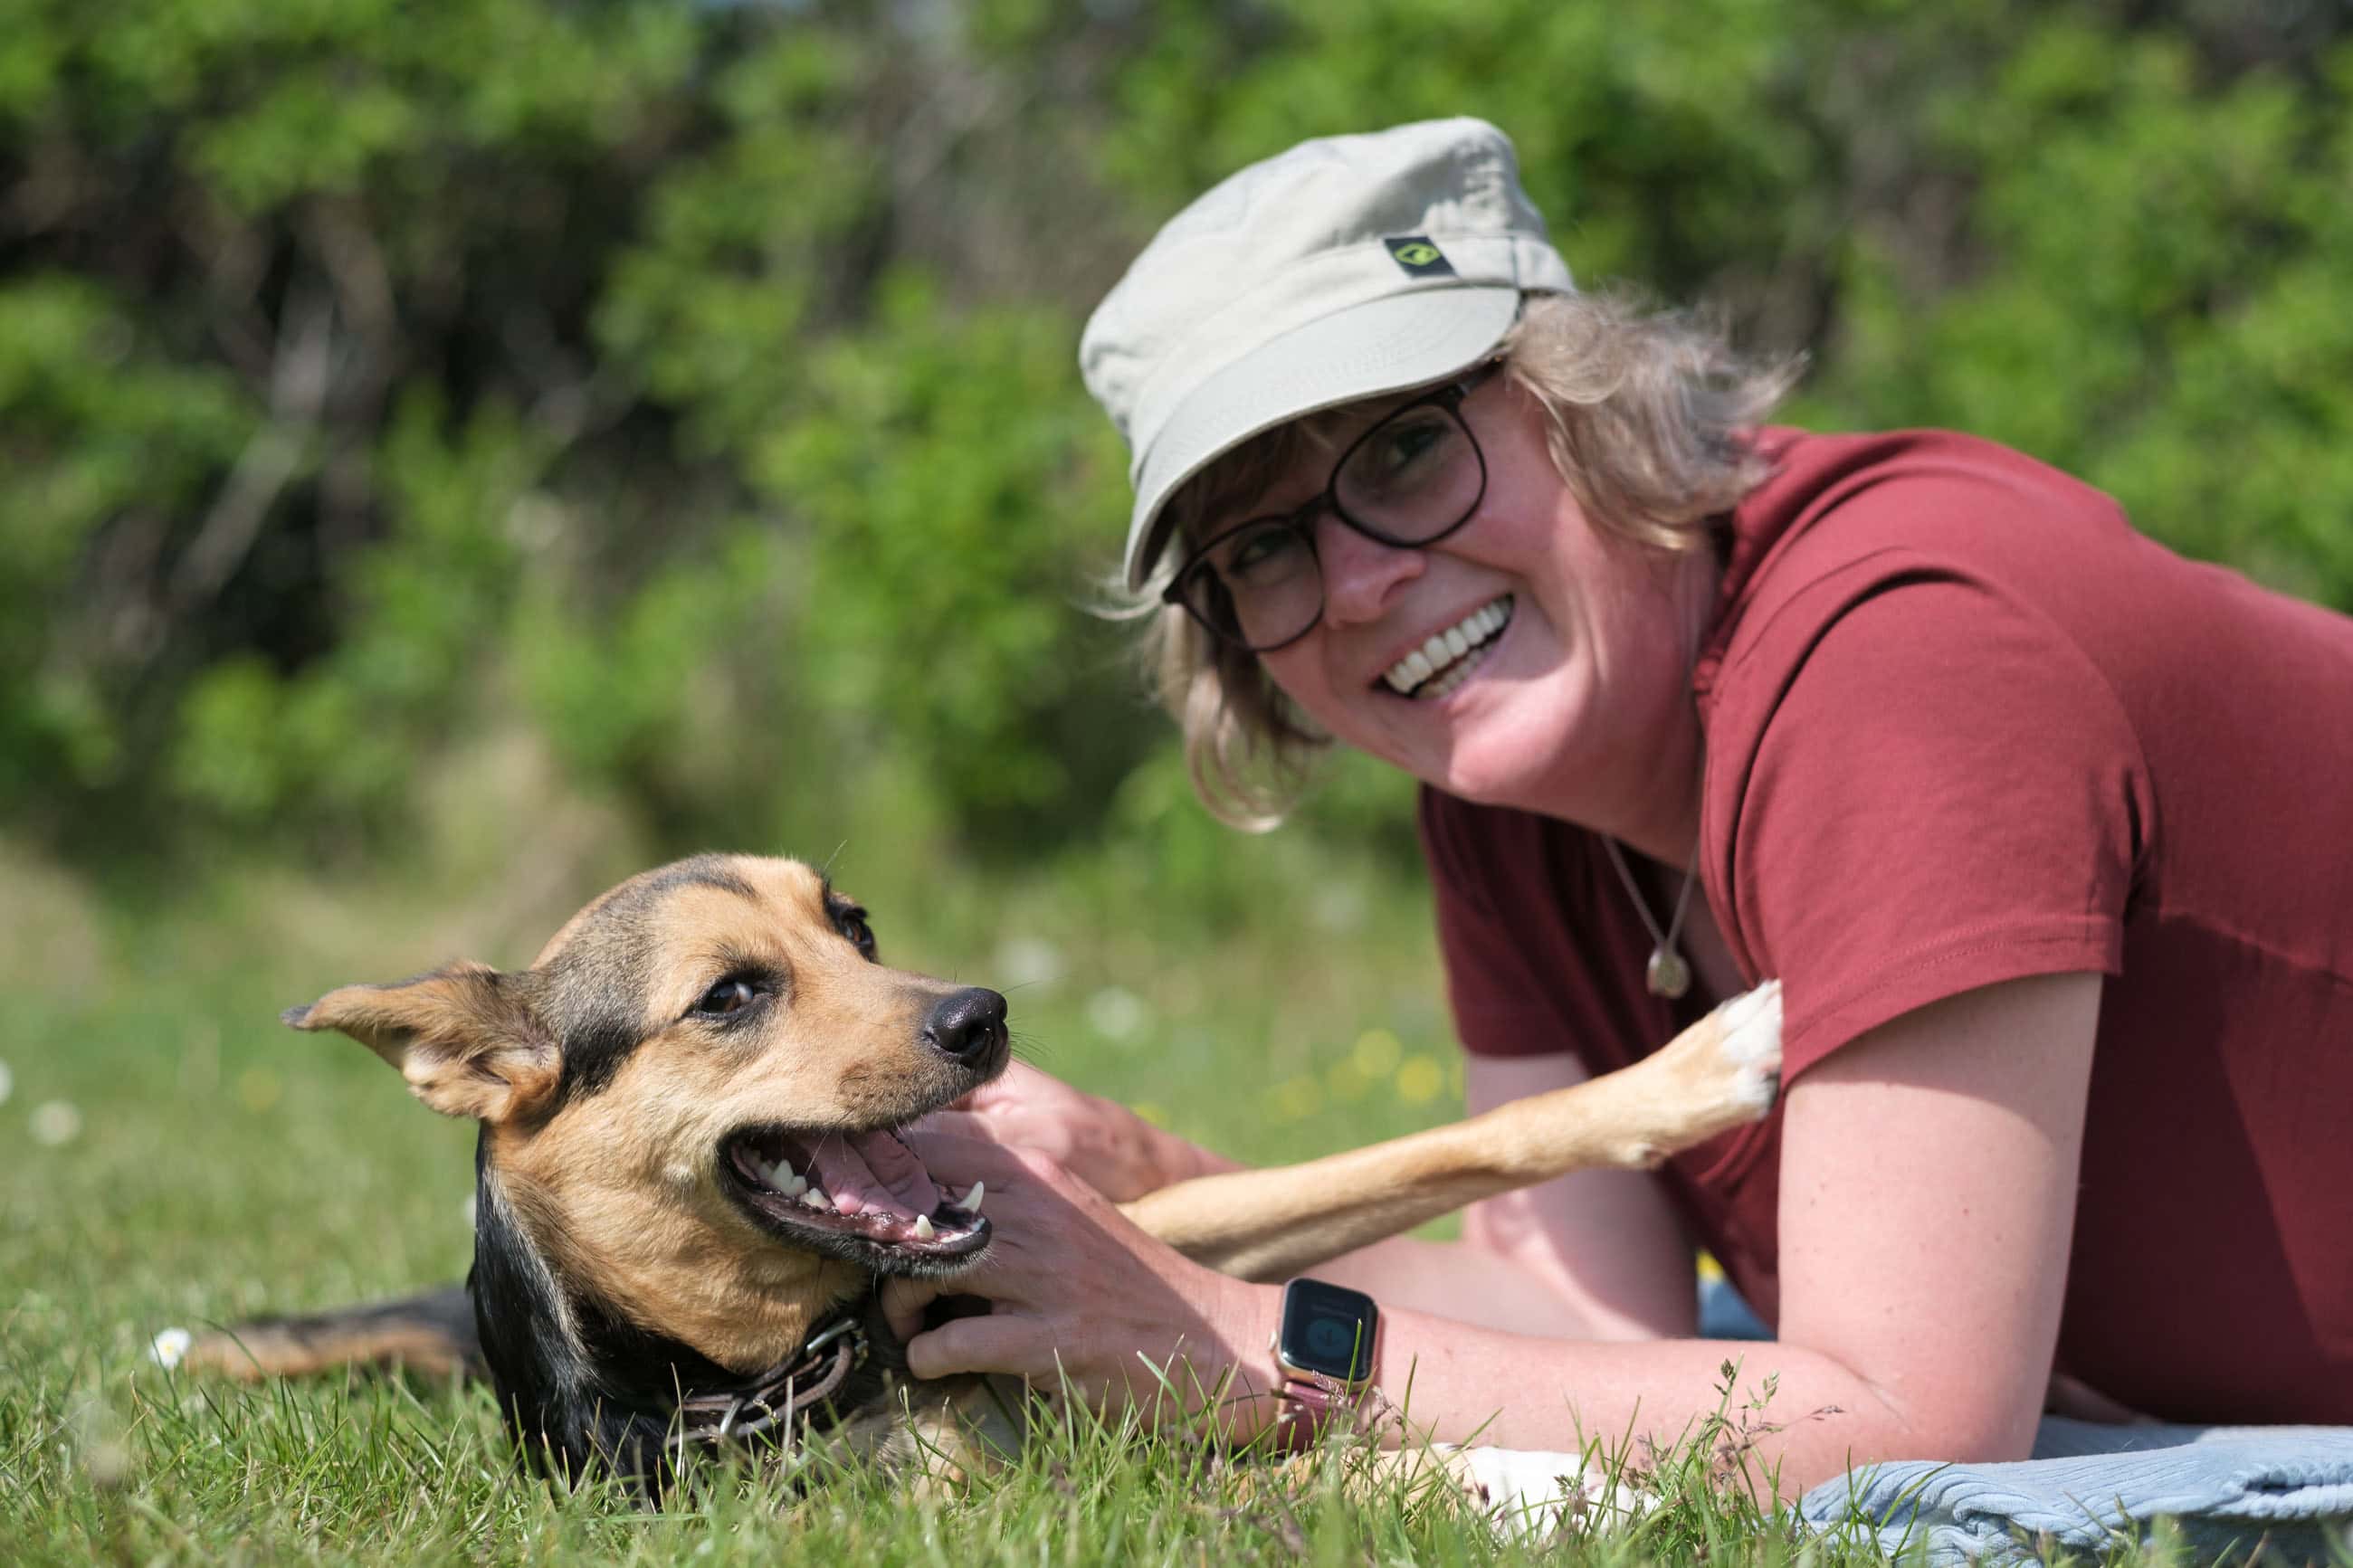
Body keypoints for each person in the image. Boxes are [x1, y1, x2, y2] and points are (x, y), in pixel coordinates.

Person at [883, 117, 2353, 1492]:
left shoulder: (1900, 665)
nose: (1357, 583)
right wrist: (1167, 1191)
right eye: (1264, 547)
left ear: (1582, 392)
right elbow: (1576, 1317)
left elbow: (1914, 1425)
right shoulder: (1516, 781)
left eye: (1406, 449)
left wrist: (1227, 1349)